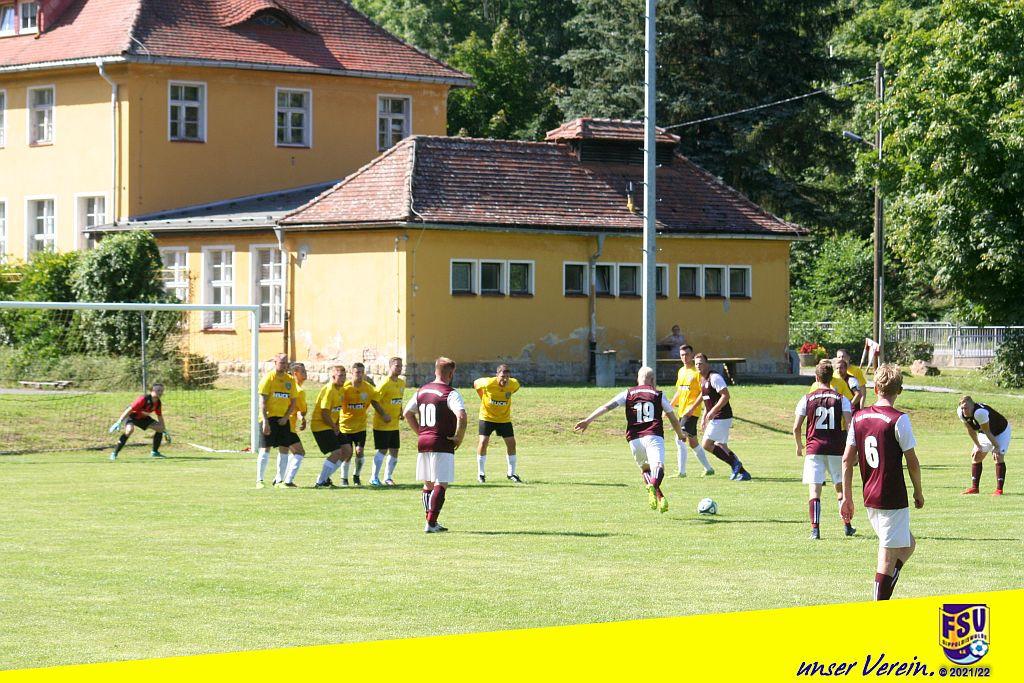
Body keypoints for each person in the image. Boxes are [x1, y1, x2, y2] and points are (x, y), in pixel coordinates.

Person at [841, 364, 924, 601]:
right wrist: (918, 491)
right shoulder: (899, 419)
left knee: (908, 545)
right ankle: (879, 608)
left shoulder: (859, 417)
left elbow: (847, 460)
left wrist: (847, 497)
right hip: (891, 496)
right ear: (900, 391)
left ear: (875, 388)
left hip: (870, 495)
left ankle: (885, 589)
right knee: (886, 558)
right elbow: (912, 462)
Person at [573, 366, 687, 513]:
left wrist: (588, 420)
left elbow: (607, 407)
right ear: (652, 379)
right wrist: (680, 434)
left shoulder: (627, 393)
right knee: (659, 467)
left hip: (635, 440)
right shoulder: (658, 394)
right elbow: (673, 418)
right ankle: (652, 486)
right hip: (653, 436)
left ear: (638, 379)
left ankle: (659, 497)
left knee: (645, 469)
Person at [404, 357, 468, 533]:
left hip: (423, 441)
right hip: (441, 441)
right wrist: (458, 437)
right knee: (441, 483)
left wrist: (420, 432)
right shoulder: (450, 393)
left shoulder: (422, 390)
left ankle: (430, 520)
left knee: (428, 484)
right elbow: (461, 416)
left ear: (435, 371)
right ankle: (431, 523)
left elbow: (407, 413)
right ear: (451, 373)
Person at [793, 360, 855, 539]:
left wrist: (799, 445)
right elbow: (850, 425)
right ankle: (847, 526)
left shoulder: (806, 398)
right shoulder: (841, 399)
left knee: (815, 490)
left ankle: (815, 530)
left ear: (816, 377)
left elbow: (796, 427)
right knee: (840, 488)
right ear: (831, 378)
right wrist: (853, 449)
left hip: (814, 448)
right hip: (836, 447)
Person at [695, 353, 751, 481]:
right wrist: (704, 417)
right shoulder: (702, 379)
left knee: (706, 444)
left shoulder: (715, 377)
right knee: (722, 446)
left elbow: (726, 395)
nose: (698, 366)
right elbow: (708, 400)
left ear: (707, 364)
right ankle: (744, 473)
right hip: (717, 417)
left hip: (722, 416)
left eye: (701, 363)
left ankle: (735, 464)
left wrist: (713, 411)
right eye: (696, 364)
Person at [338, 362, 391, 486]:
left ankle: (356, 476)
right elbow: (336, 403)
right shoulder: (344, 388)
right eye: (357, 372)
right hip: (345, 426)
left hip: (360, 426)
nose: (360, 375)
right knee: (347, 453)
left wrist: (383, 414)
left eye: (362, 372)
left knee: (359, 451)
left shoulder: (368, 388)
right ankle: (344, 478)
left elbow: (375, 401)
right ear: (352, 373)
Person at [669, 344, 714, 477]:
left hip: (692, 412)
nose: (684, 357)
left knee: (680, 438)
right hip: (682, 411)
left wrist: (693, 407)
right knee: (693, 442)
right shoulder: (681, 371)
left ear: (692, 355)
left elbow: (703, 392)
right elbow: (679, 391)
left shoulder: (697, 372)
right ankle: (709, 469)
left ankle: (681, 472)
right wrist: (670, 406)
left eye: (687, 354)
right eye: (682, 355)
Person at [474, 364, 523, 484]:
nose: (505, 379)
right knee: (483, 442)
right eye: (502, 376)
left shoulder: (514, 384)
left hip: (504, 419)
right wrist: (482, 396)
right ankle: (481, 473)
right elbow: (475, 384)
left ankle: (511, 473)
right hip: (487, 417)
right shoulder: (488, 383)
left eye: (507, 377)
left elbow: (514, 389)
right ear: (497, 375)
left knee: (511, 444)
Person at [255, 354, 299, 489]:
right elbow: (262, 402)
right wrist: (265, 421)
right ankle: (259, 480)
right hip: (269, 418)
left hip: (283, 419)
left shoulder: (290, 380)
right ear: (275, 362)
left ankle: (279, 481)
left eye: (286, 363)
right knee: (265, 448)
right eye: (281, 362)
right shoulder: (268, 378)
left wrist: (286, 417)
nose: (284, 365)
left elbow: (293, 401)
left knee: (284, 448)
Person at [958, 395, 1010, 495]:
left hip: (1001, 431)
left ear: (972, 406)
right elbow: (970, 430)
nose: (964, 410)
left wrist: (996, 447)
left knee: (998, 455)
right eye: (962, 408)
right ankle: (975, 488)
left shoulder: (980, 413)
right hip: (985, 431)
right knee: (976, 455)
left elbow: (988, 431)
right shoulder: (960, 412)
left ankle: (999, 490)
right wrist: (977, 445)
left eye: (966, 408)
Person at [312, 365, 350, 489]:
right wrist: (334, 426)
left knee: (347, 451)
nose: (343, 378)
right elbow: (324, 413)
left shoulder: (341, 390)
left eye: (344, 376)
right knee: (337, 452)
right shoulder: (328, 390)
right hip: (320, 425)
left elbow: (336, 410)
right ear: (333, 376)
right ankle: (320, 482)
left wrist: (337, 424)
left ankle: (324, 477)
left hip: (332, 425)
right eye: (340, 376)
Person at [109, 383, 169, 460]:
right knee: (129, 430)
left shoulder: (158, 403)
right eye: (158, 390)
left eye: (162, 391)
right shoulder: (143, 399)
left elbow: (159, 416)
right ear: (152, 390)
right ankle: (114, 453)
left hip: (143, 418)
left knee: (160, 429)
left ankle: (154, 452)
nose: (160, 392)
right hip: (131, 416)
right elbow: (129, 409)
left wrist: (164, 429)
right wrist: (119, 421)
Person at [371, 357, 406, 486]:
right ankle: (374, 478)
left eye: (401, 366)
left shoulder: (401, 383)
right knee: (382, 450)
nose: (399, 368)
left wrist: (400, 411)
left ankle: (388, 477)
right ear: (390, 366)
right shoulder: (384, 383)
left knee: (394, 450)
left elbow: (398, 399)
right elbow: (374, 400)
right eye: (397, 365)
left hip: (394, 424)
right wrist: (384, 415)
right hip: (382, 424)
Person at [273, 362, 308, 487]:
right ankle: (287, 481)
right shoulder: (299, 390)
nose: (305, 373)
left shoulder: (289, 387)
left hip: (282, 424)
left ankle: (278, 478)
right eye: (302, 371)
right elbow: (302, 410)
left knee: (290, 451)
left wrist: (301, 418)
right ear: (295, 373)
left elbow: (297, 411)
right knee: (300, 452)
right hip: (289, 427)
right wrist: (302, 417)